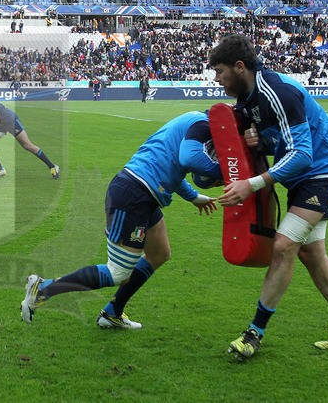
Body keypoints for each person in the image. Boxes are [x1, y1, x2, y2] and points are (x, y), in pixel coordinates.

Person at [210, 34, 328, 358]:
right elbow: (282, 143)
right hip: (305, 178)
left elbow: (302, 154)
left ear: (239, 67)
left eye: (220, 71)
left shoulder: (277, 91)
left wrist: (251, 184)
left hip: (326, 171)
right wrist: (262, 144)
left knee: (283, 246)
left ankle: (254, 333)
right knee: (312, 253)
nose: (216, 79)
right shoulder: (248, 100)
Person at [21, 111, 220, 327]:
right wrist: (227, 173)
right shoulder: (203, 125)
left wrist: (194, 197)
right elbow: (189, 161)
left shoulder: (195, 122)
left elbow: (173, 166)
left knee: (159, 253)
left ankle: (112, 313)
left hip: (145, 192)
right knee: (118, 274)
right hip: (135, 194)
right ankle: (43, 289)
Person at [0, 78, 59, 179]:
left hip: (9, 120)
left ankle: (52, 166)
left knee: (27, 145)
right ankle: (1, 170)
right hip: (0, 123)